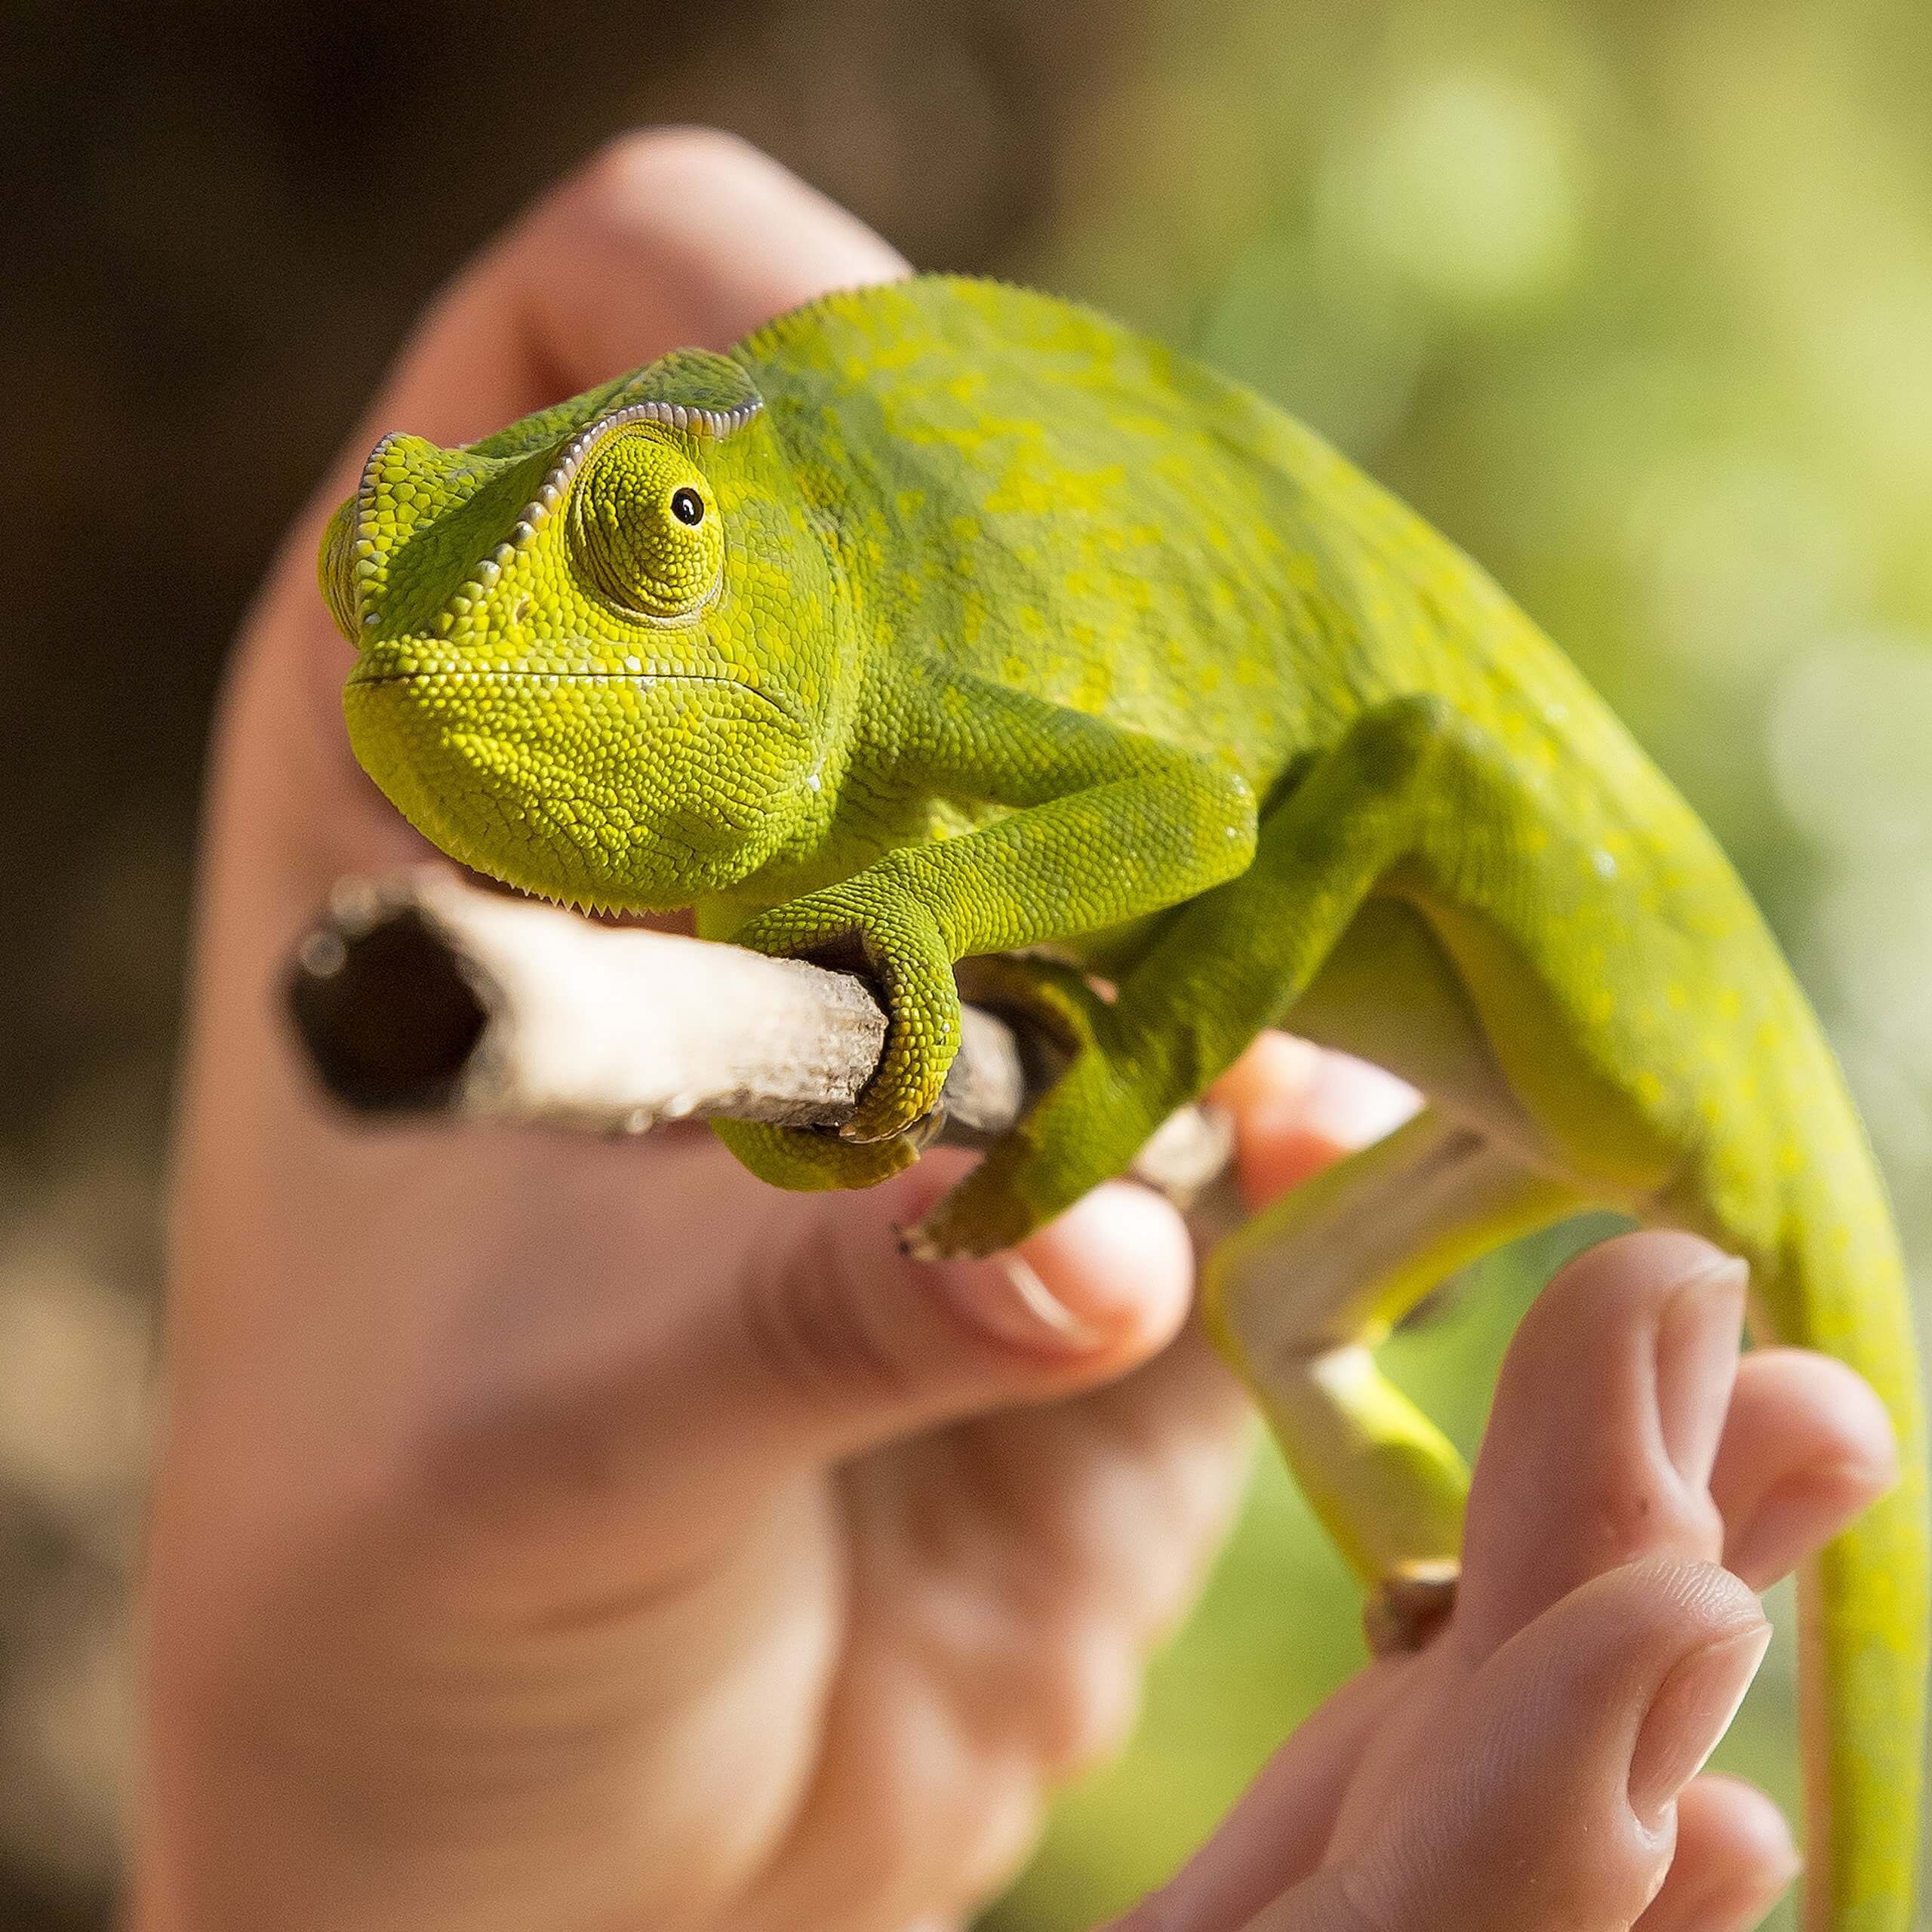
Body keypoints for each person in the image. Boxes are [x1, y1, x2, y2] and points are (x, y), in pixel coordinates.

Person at [140, 130, 1899, 1932]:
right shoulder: (794, 762)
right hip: (1516, 1051)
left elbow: (1202, 821)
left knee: (1405, 778)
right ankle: (1446, 1594)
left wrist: (1073, 1021)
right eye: (377, 584)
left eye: (651, 542)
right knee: (1285, 1307)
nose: (417, 657)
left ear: (741, 536)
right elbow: (798, 1102)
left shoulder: (857, 622)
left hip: (1624, 966)